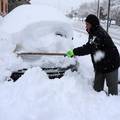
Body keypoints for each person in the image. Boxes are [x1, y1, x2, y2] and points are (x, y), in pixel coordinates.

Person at [66, 14, 120, 95]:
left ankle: (111, 104)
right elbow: (91, 46)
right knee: (97, 89)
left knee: (112, 91)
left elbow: (89, 48)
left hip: (111, 64)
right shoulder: (93, 32)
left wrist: (74, 52)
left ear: (93, 24)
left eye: (87, 24)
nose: (86, 26)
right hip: (100, 65)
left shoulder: (98, 33)